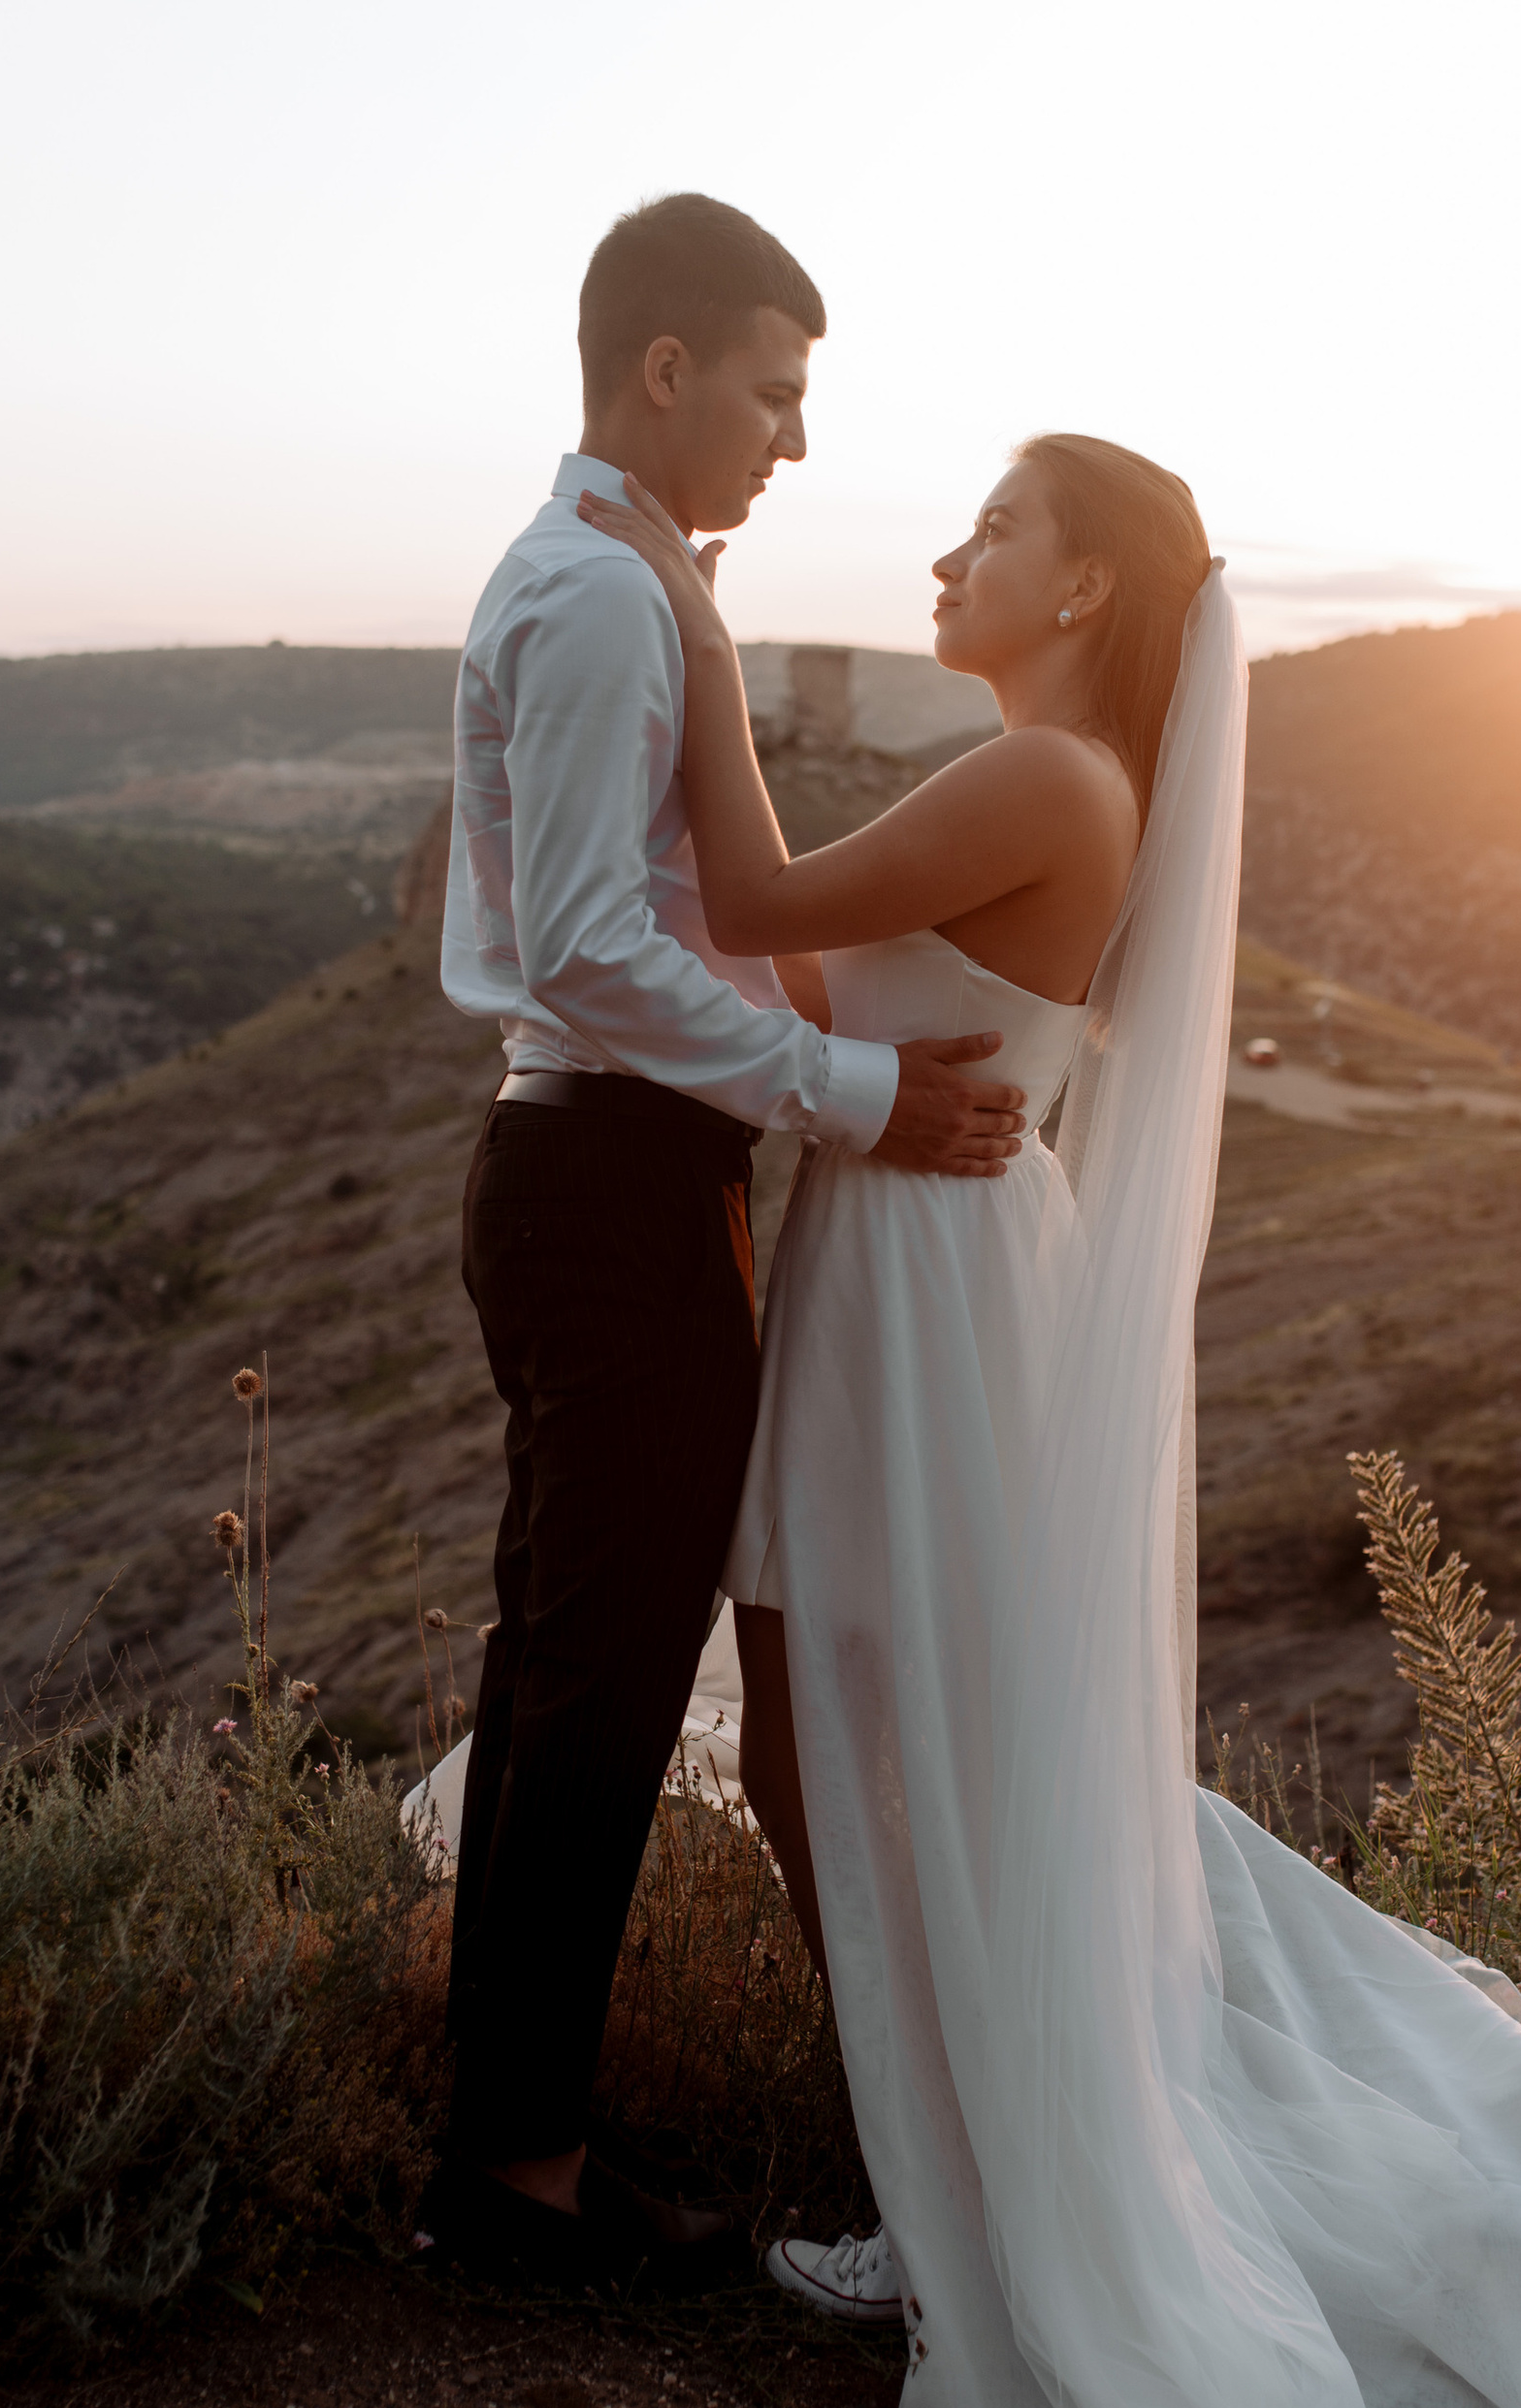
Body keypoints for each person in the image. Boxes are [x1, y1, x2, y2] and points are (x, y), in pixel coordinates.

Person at [575, 436, 1521, 2408]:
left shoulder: (1044, 780)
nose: (947, 555)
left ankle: (967, 2222)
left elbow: (762, 896)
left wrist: (686, 615)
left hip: (934, 1289)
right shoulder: (1042, 777)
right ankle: (946, 2195)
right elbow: (793, 967)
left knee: (878, 1744)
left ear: (1088, 589)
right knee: (829, 1735)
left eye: (995, 527)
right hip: (917, 1261)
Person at [423, 192, 1027, 2291]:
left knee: (563, 1664)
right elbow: (590, 949)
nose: (788, 440)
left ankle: (512, 2130)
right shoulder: (600, 601)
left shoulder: (620, 577)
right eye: (771, 393)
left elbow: (646, 927)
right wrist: (861, 1097)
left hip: (608, 1176)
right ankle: (515, 2177)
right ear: (661, 371)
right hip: (603, 1183)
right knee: (593, 1676)